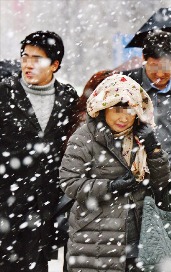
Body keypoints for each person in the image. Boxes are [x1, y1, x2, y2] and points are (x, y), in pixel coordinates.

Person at [59, 74, 171, 271]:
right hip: (94, 237)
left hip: (137, 236)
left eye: (130, 110)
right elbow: (70, 182)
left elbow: (161, 182)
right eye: (117, 109)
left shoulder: (141, 137)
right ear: (103, 107)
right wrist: (110, 187)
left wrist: (153, 149)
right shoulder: (84, 137)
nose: (124, 117)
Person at [0, 30, 81, 271]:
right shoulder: (5, 93)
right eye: (25, 57)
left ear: (55, 64)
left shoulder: (67, 98)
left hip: (46, 203)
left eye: (37, 59)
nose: (28, 64)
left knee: (39, 264)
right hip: (7, 200)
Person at [120, 31, 171, 247]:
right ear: (145, 59)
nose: (161, 73)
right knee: (140, 243)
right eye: (155, 65)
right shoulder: (127, 84)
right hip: (137, 175)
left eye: (168, 66)